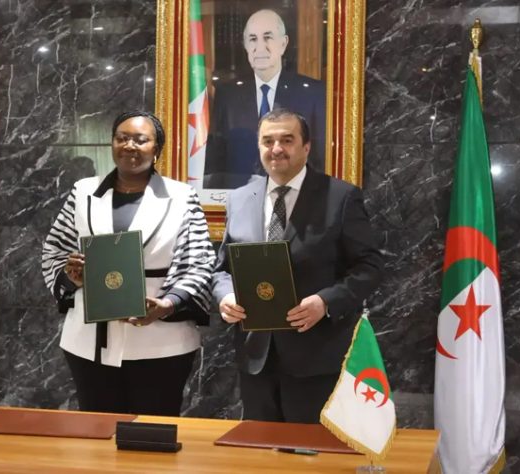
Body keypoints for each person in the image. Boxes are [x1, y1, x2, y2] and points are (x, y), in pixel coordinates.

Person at [212, 108, 383, 423]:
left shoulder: (341, 196)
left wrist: (325, 302)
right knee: (260, 446)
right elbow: (222, 268)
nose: (276, 149)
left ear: (306, 147)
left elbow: (369, 266)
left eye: (287, 140)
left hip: (316, 356)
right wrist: (226, 296)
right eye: (268, 141)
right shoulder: (239, 199)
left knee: (310, 449)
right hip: (255, 357)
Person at [42, 111, 215, 416]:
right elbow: (54, 250)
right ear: (112, 143)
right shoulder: (83, 192)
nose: (129, 146)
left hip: (161, 340)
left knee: (152, 431)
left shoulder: (182, 196)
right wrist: (71, 277)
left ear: (156, 148)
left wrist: (168, 304)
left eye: (140, 139)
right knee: (97, 432)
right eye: (122, 138)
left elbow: (199, 261)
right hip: (88, 341)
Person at [203, 9, 326, 189]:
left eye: (268, 37)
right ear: (245, 45)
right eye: (253, 39)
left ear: (283, 44)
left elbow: (319, 158)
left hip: (297, 196)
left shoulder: (312, 93)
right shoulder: (228, 95)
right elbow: (218, 157)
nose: (260, 47)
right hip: (239, 195)